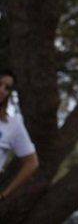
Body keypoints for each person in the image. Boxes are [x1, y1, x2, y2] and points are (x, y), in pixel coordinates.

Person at [0, 70, 39, 202]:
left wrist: (4, 195)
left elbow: (32, 163)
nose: (2, 90)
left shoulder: (13, 124)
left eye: (7, 88)